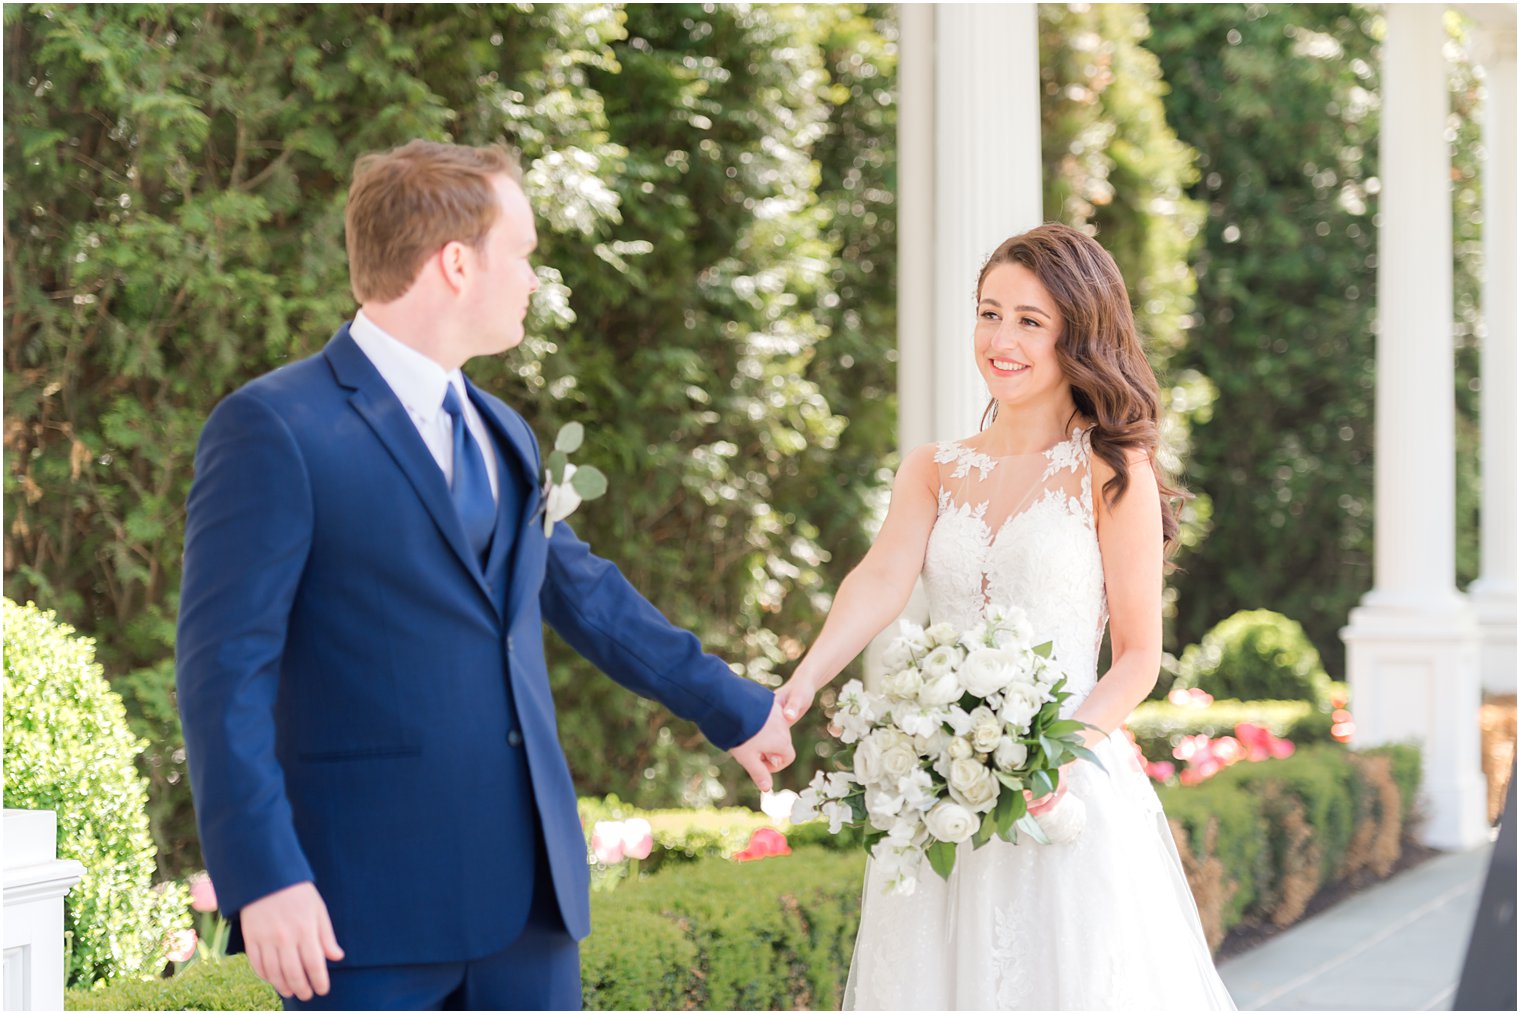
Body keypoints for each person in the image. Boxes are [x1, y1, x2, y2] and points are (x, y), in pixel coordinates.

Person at [175, 140, 796, 1011]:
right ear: (457, 263)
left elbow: (579, 591)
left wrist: (731, 706)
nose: (535, 279)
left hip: (528, 907)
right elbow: (221, 676)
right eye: (526, 253)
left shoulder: (504, 431)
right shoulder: (274, 428)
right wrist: (265, 877)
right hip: (363, 908)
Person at [775, 224, 1235, 1010]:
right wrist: (804, 680)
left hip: (1065, 802)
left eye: (1030, 320)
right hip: (939, 799)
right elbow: (882, 577)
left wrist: (1053, 764)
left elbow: (1136, 659)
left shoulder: (1114, 469)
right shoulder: (933, 468)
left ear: (1077, 333)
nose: (1001, 339)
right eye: (990, 314)